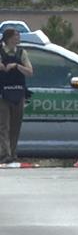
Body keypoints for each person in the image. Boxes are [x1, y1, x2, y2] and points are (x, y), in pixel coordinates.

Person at [0, 28, 33, 163]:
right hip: (2, 94)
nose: (18, 38)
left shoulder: (21, 53)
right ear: (8, 38)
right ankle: (5, 153)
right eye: (16, 36)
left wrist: (17, 66)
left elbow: (30, 72)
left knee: (15, 126)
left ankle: (13, 154)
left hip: (18, 93)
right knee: (3, 126)